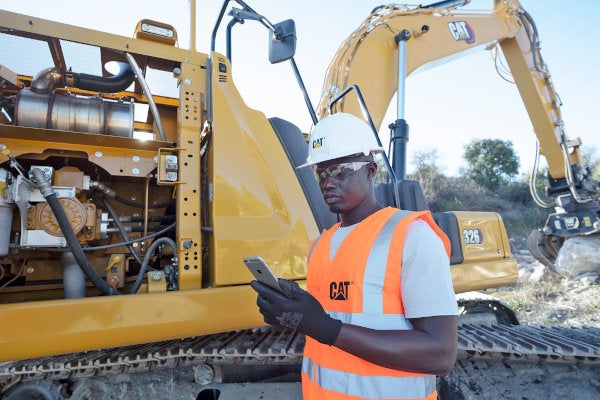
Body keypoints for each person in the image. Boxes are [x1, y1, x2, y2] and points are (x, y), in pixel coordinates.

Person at [250, 112, 458, 400]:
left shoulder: (411, 236)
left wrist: (323, 326)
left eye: (342, 170)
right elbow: (326, 330)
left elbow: (441, 355)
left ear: (371, 170)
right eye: (321, 173)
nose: (328, 182)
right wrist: (293, 315)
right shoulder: (320, 246)